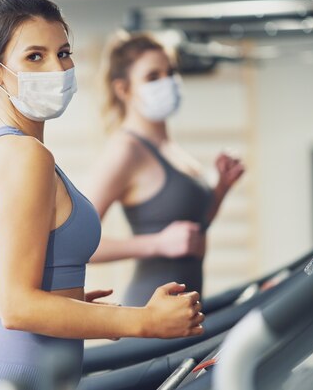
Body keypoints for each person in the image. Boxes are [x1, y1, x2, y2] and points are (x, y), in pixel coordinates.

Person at [0, 0, 205, 390]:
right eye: (35, 56)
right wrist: (144, 321)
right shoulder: (25, 156)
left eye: (63, 52)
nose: (58, 67)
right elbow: (18, 308)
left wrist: (67, 311)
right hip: (13, 377)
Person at [86, 32, 245, 306]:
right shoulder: (126, 150)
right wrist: (156, 243)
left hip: (186, 310)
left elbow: (193, 231)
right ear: (123, 89)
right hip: (151, 312)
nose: (167, 82)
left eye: (170, 72)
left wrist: (221, 188)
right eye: (152, 76)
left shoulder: (169, 147)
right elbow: (78, 244)